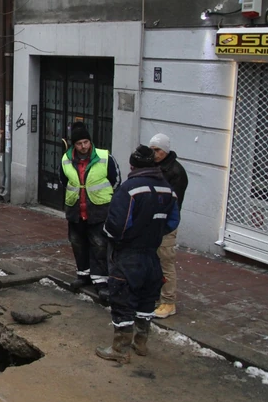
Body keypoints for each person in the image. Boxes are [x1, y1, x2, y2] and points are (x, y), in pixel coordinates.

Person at [97, 145, 180, 363]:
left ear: (132, 165)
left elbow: (116, 226)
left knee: (123, 301)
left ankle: (119, 350)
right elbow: (172, 222)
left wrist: (117, 239)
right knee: (146, 300)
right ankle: (141, 343)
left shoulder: (129, 189)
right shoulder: (168, 190)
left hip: (129, 255)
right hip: (153, 255)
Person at [60, 121, 122, 303]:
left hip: (99, 210)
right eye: (79, 143)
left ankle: (101, 281)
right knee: (77, 243)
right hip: (76, 210)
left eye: (86, 142)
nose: (83, 146)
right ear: (74, 144)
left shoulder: (104, 157)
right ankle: (83, 274)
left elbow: (116, 180)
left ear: (90, 142)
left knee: (99, 245)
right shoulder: (66, 159)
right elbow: (64, 181)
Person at [149, 133, 189, 318]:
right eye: (152, 150)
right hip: (152, 221)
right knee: (154, 260)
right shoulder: (155, 167)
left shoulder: (175, 171)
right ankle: (158, 295)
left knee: (165, 261)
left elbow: (172, 201)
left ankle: (168, 302)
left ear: (165, 150)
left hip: (165, 224)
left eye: (157, 150)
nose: (154, 153)